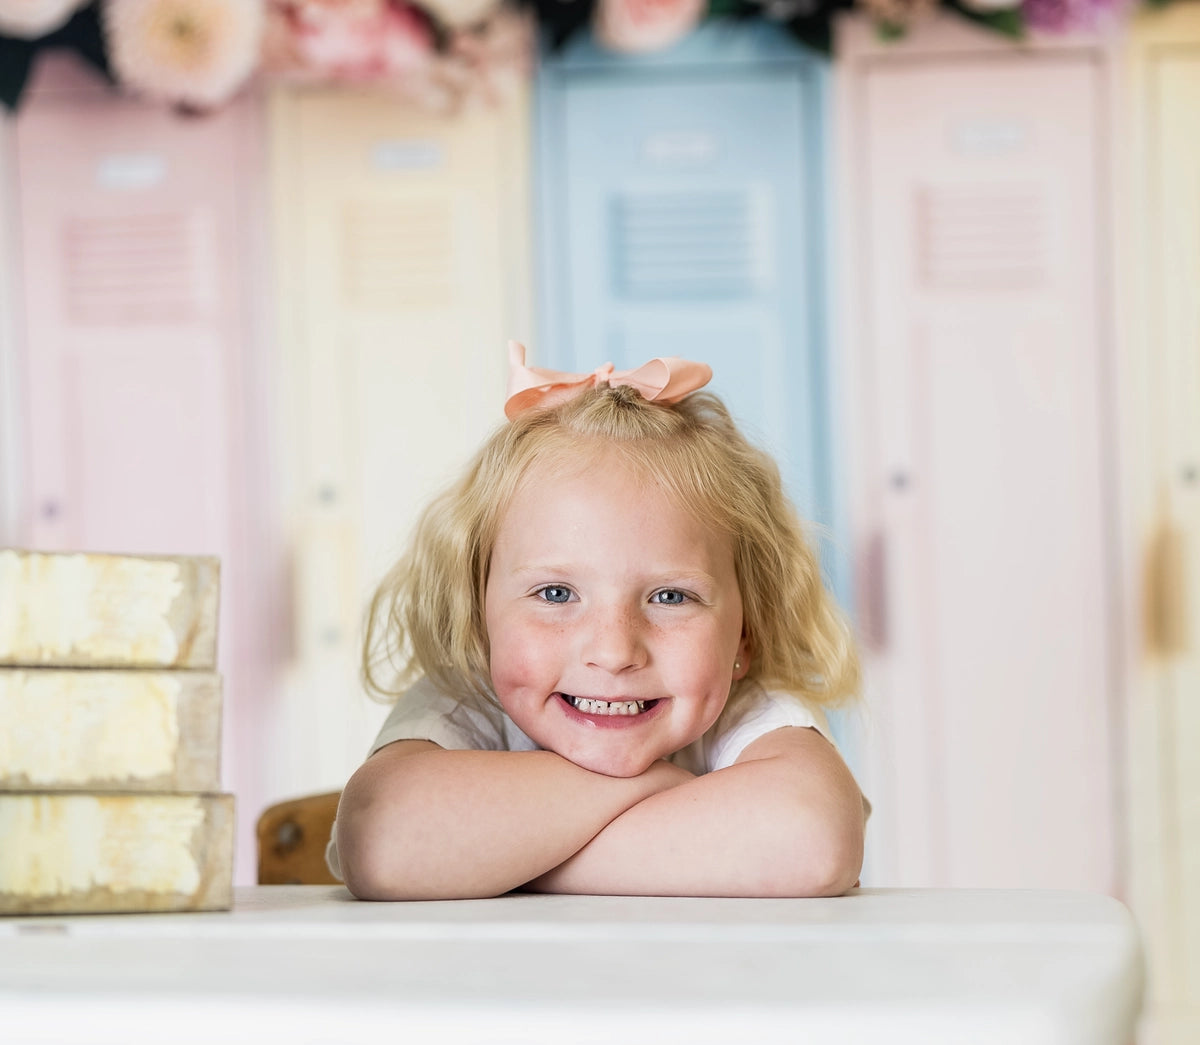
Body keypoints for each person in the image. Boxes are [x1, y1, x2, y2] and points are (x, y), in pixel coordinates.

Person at [329, 342, 867, 900]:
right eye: (556, 593)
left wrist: (509, 860)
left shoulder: (741, 710)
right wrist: (656, 786)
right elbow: (383, 839)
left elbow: (812, 841)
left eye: (671, 597)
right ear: (479, 617)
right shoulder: (466, 701)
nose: (613, 652)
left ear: (745, 632)